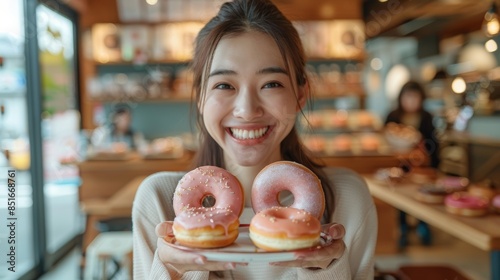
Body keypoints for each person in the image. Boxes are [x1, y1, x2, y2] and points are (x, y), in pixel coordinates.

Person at [132, 0, 377, 279]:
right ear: (200, 96)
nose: (247, 110)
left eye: (271, 84)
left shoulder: (347, 199)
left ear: (300, 95)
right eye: (224, 85)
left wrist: (323, 270)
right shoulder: (160, 202)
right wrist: (176, 271)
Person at [384, 80, 440, 247]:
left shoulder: (427, 117)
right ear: (401, 98)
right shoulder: (392, 116)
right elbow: (385, 140)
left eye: (415, 97)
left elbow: (434, 144)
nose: (411, 101)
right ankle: (402, 229)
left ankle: (424, 228)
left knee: (422, 198)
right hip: (399, 166)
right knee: (401, 199)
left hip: (421, 168)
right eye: (408, 97)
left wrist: (427, 155)